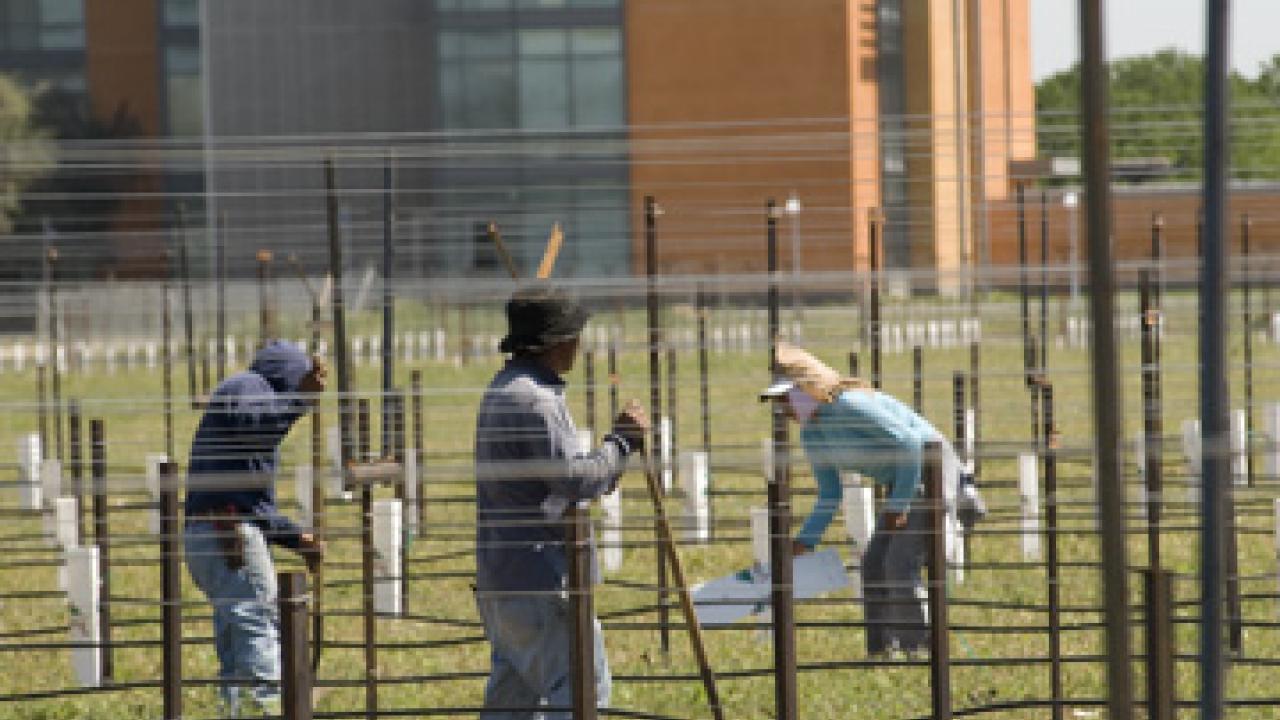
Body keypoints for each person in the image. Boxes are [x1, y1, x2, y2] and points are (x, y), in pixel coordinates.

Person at [474, 284, 648, 719]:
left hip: (504, 575)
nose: (578, 343)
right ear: (557, 342)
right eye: (574, 335)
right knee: (582, 692)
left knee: (512, 704)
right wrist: (621, 442)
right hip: (542, 576)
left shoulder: (506, 387)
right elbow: (575, 480)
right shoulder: (535, 401)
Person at [760, 341, 984, 657]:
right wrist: (806, 541)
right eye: (779, 402)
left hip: (934, 470)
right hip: (903, 482)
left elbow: (910, 445)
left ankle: (920, 649)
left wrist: (899, 506)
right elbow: (829, 493)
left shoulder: (850, 405)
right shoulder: (813, 433)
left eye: (786, 398)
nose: (784, 408)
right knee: (873, 564)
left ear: (808, 389)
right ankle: (881, 649)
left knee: (898, 563)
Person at [183, 340, 327, 716]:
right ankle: (267, 709)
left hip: (211, 533)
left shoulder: (252, 411)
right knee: (261, 627)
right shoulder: (248, 387)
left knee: (236, 635)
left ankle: (236, 711)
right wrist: (300, 400)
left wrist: (297, 539)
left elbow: (258, 509)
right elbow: (255, 423)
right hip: (227, 535)